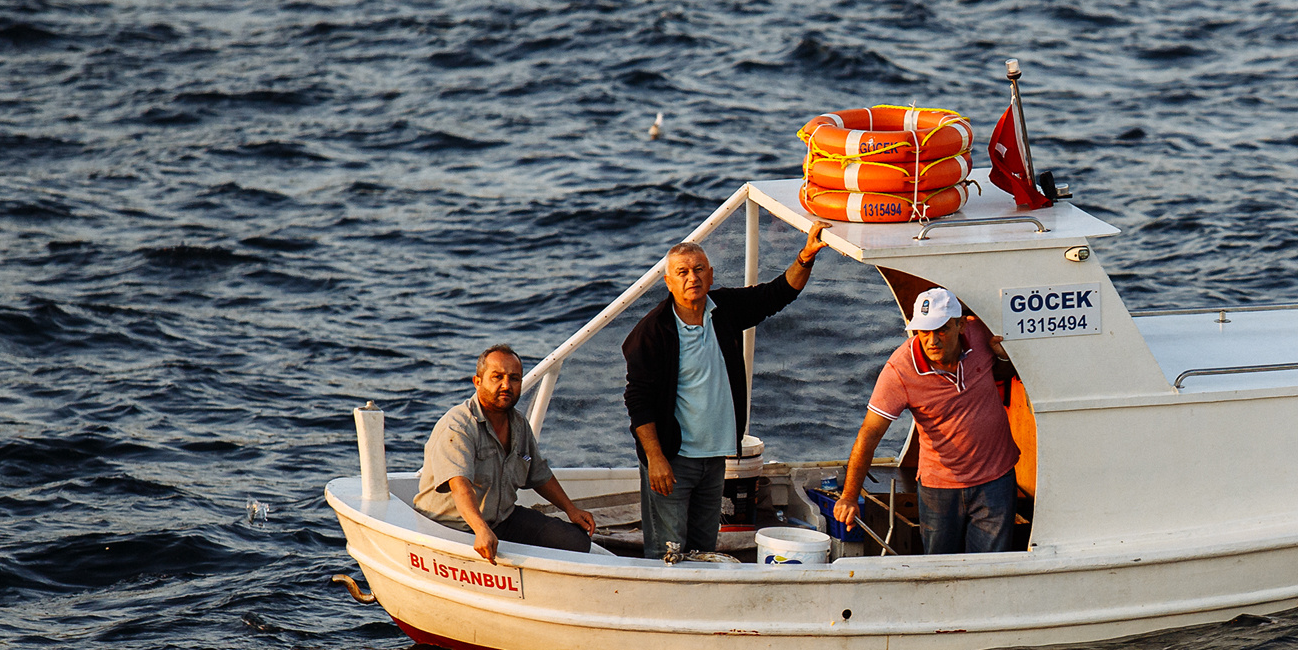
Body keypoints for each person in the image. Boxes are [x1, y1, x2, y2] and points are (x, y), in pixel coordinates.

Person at [623, 222, 826, 554]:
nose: (693, 277)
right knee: (669, 550)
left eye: (699, 269)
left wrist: (805, 257)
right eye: (683, 272)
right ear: (669, 282)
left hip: (715, 458)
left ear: (711, 274)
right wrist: (655, 458)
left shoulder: (724, 311)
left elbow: (776, 295)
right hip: (673, 459)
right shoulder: (651, 333)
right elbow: (638, 401)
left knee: (704, 547)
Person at [835, 287, 1021, 555]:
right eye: (924, 331)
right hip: (939, 489)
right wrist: (850, 497)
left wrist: (1003, 355)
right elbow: (870, 433)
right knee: (940, 571)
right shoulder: (900, 370)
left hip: (996, 480)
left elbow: (1004, 372)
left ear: (960, 325)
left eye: (941, 329)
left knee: (989, 570)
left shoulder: (980, 334)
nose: (932, 340)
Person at [415, 344, 598, 564]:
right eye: (497, 377)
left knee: (575, 542)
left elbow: (538, 473)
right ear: (477, 381)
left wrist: (571, 509)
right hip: (452, 526)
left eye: (514, 378)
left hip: (501, 519)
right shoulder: (458, 426)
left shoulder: (519, 424)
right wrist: (481, 530)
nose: (506, 385)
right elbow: (460, 486)